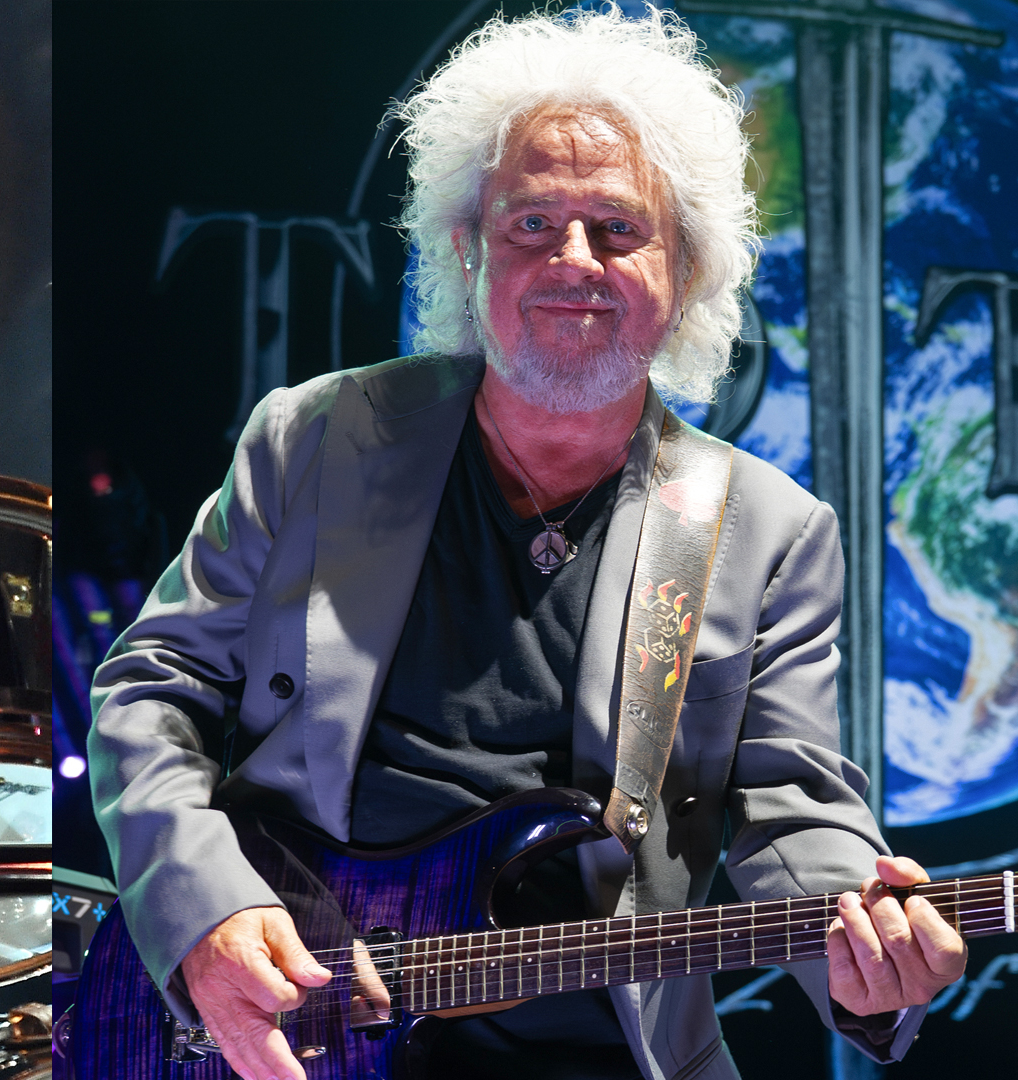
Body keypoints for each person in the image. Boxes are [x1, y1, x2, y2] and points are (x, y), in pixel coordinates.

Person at [87, 10, 965, 1080]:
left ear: (686, 270)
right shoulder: (313, 436)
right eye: (532, 225)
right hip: (296, 1023)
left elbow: (797, 818)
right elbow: (150, 690)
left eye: (618, 227)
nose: (574, 260)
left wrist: (867, 959)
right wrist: (203, 914)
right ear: (467, 251)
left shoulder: (770, 532)